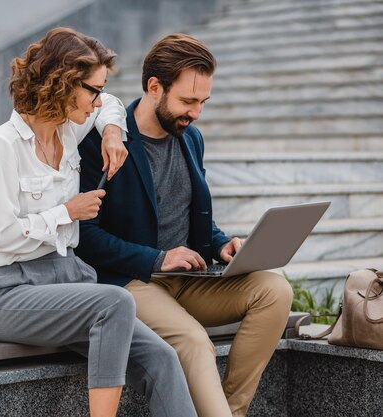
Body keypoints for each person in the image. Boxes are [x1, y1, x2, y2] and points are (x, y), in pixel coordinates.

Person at [0, 27, 197, 417]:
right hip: (7, 294)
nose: (95, 101)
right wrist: (66, 213)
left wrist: (111, 131)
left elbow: (109, 102)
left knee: (162, 356)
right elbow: (0, 235)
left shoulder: (70, 129)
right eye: (90, 89)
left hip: (66, 282)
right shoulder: (4, 143)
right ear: (62, 83)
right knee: (115, 300)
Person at [76, 33, 293, 417]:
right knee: (193, 341)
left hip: (189, 279)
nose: (196, 112)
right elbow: (85, 238)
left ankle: (230, 410)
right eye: (188, 101)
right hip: (130, 281)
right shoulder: (101, 140)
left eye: (203, 102)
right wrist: (158, 258)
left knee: (274, 290)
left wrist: (222, 245)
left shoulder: (190, 138)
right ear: (154, 87)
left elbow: (191, 215)